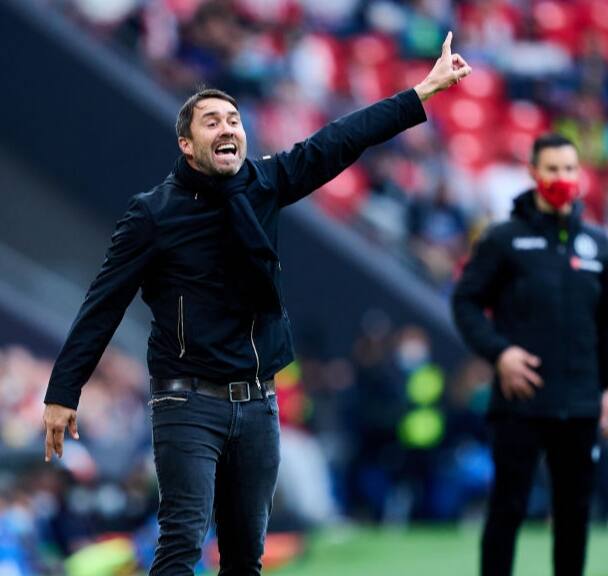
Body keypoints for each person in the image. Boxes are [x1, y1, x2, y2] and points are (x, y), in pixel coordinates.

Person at [42, 32, 471, 575]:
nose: (228, 128)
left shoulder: (262, 183)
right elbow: (102, 304)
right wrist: (63, 391)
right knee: (181, 544)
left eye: (234, 120)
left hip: (256, 404)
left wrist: (422, 92)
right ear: (186, 145)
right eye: (212, 121)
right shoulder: (153, 214)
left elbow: (339, 140)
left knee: (245, 558)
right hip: (186, 402)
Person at [452, 133, 608, 576]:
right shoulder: (503, 240)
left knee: (574, 516)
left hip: (582, 402)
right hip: (521, 401)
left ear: (580, 175)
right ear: (533, 174)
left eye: (569, 169)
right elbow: (465, 302)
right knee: (507, 510)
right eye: (552, 169)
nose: (562, 178)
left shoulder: (598, 245)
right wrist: (500, 352)